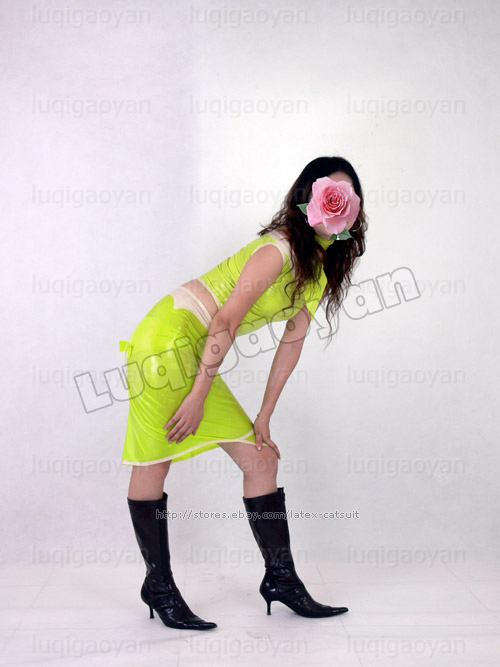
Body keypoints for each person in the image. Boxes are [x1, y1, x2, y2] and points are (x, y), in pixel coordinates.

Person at [119, 156, 368, 630]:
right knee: (155, 458)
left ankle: (281, 580)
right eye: (328, 192)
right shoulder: (277, 250)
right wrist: (198, 394)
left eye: (346, 196)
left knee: (261, 459)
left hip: (196, 349)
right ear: (306, 198)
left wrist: (264, 415)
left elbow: (292, 341)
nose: (337, 203)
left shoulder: (317, 267)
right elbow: (225, 320)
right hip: (167, 341)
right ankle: (160, 587)